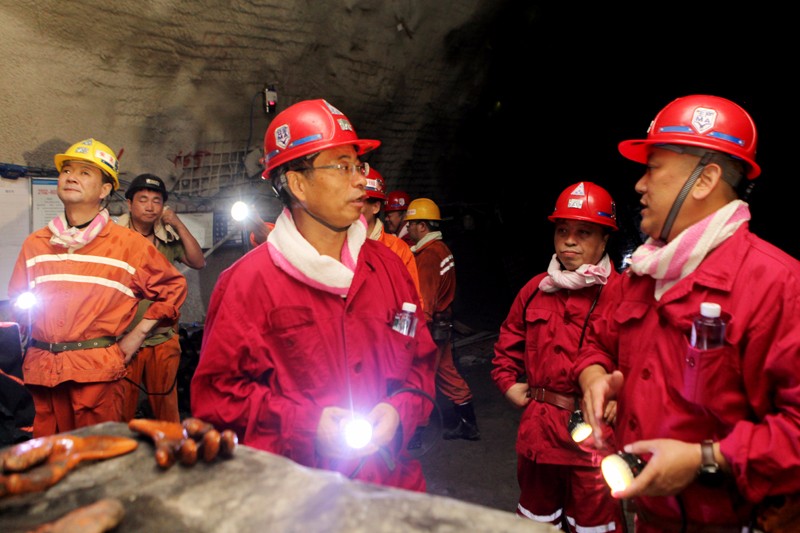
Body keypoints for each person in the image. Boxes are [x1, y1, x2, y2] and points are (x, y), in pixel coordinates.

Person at [575, 95, 800, 532]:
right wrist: (593, 377)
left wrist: (706, 459)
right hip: (648, 519)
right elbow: (597, 344)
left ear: (704, 180)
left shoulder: (777, 285)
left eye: (653, 168)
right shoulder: (640, 275)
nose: (639, 185)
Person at [190, 99, 437, 492]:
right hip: (295, 494)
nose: (360, 180)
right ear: (298, 184)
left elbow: (420, 361)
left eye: (359, 165)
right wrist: (305, 424)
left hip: (389, 484)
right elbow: (217, 397)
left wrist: (399, 410)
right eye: (342, 166)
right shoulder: (247, 284)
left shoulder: (388, 268)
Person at [7, 138, 187, 437]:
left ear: (104, 190)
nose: (71, 177)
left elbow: (173, 287)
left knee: (98, 457)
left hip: (96, 375)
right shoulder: (35, 244)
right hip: (41, 374)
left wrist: (137, 336)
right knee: (46, 458)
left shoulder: (128, 245)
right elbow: (17, 307)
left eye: (84, 172)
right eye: (66, 171)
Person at [492, 181, 623, 531]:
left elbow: (643, 361)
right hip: (539, 435)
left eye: (583, 233)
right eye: (563, 231)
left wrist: (622, 398)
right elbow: (508, 340)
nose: (569, 241)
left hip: (594, 437)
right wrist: (507, 382)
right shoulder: (537, 290)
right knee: (537, 521)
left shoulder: (622, 294)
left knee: (594, 524)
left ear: (605, 239)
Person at [116, 173, 206, 423]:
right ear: (129, 204)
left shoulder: (167, 238)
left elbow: (198, 261)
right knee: (121, 410)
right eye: (143, 199)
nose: (150, 206)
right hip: (123, 338)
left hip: (162, 337)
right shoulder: (114, 238)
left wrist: (177, 223)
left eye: (156, 201)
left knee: (166, 411)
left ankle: (170, 446)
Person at [406, 197, 479, 441]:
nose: (408, 228)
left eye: (411, 224)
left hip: (431, 327)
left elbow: (425, 301)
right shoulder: (442, 249)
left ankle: (416, 431)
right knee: (445, 371)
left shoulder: (428, 256)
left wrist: (416, 333)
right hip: (442, 325)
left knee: (421, 375)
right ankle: (468, 423)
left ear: (423, 226)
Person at [360, 167, 422, 303]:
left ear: (376, 207)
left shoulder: (398, 250)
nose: (351, 208)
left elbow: (413, 302)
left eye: (359, 201)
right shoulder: (336, 246)